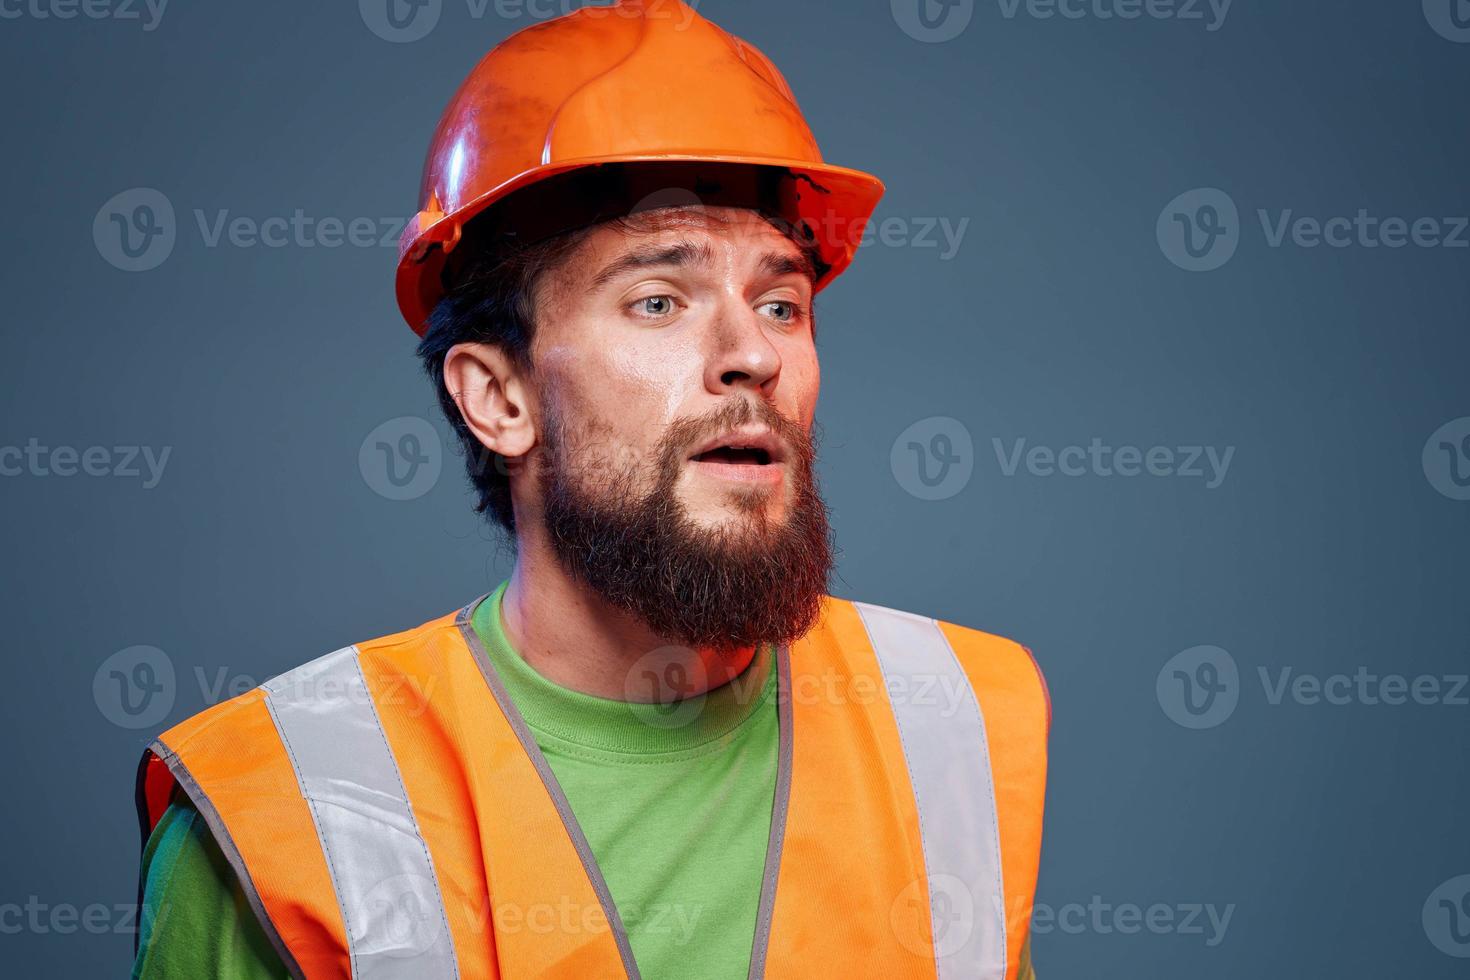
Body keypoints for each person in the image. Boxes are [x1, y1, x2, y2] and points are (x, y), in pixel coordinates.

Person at [131, 2, 1050, 977]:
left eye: (781, 302)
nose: (754, 355)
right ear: (499, 396)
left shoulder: (951, 723)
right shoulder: (289, 810)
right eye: (659, 300)